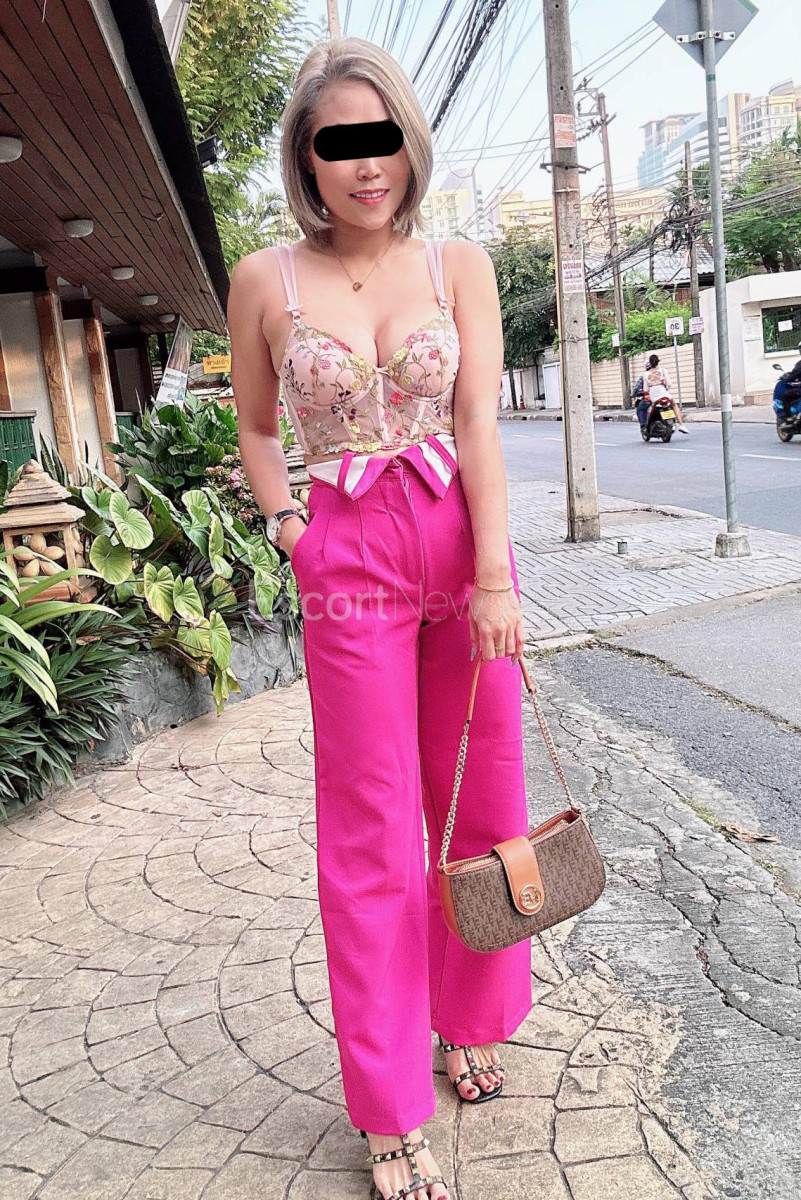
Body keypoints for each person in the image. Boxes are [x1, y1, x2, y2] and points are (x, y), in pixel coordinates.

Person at [227, 36, 532, 1200]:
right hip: (346, 560)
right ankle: (391, 1108)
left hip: (461, 551)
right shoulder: (267, 280)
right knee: (371, 830)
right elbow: (258, 427)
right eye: (338, 144)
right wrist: (291, 531)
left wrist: (496, 576)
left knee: (479, 794)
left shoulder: (459, 264)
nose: (367, 164)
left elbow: (480, 424)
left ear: (409, 141)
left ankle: (472, 1017)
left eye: (382, 137)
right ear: (307, 160)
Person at [640, 353, 689, 433]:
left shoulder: (645, 374)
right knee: (674, 404)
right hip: (663, 392)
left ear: (650, 363)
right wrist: (665, 389)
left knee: (650, 407)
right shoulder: (663, 370)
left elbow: (645, 389)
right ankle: (681, 425)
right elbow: (669, 384)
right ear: (658, 362)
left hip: (653, 395)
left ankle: (649, 426)